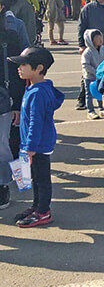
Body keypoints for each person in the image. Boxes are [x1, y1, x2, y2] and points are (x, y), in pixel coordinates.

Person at [9, 47, 64, 227]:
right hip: (33, 144)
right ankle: (37, 206)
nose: (19, 68)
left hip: (38, 145)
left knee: (42, 178)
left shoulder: (39, 93)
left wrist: (30, 147)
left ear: (39, 68)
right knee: (34, 178)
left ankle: (43, 211)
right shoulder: (33, 88)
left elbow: (36, 122)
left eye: (23, 64)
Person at [0, 0, 27, 211]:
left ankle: (6, 186)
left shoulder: (10, 35)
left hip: (4, 99)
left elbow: (19, 72)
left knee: (6, 146)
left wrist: (18, 104)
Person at [80, 29, 104, 119]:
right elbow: (85, 65)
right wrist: (96, 72)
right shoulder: (87, 52)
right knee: (89, 94)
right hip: (90, 77)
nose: (100, 39)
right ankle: (90, 111)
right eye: (97, 38)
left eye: (101, 37)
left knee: (100, 92)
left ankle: (102, 109)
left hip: (101, 76)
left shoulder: (103, 49)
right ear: (91, 40)